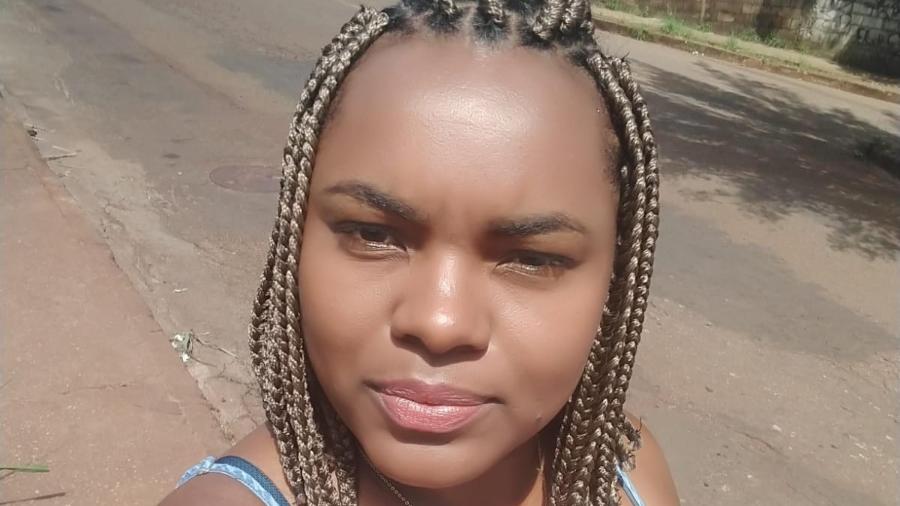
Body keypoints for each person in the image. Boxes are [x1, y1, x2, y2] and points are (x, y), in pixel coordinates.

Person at [161, 0, 678, 504]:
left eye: (532, 259)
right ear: (295, 238)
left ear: (615, 282)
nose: (439, 323)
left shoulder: (626, 473)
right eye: (373, 235)